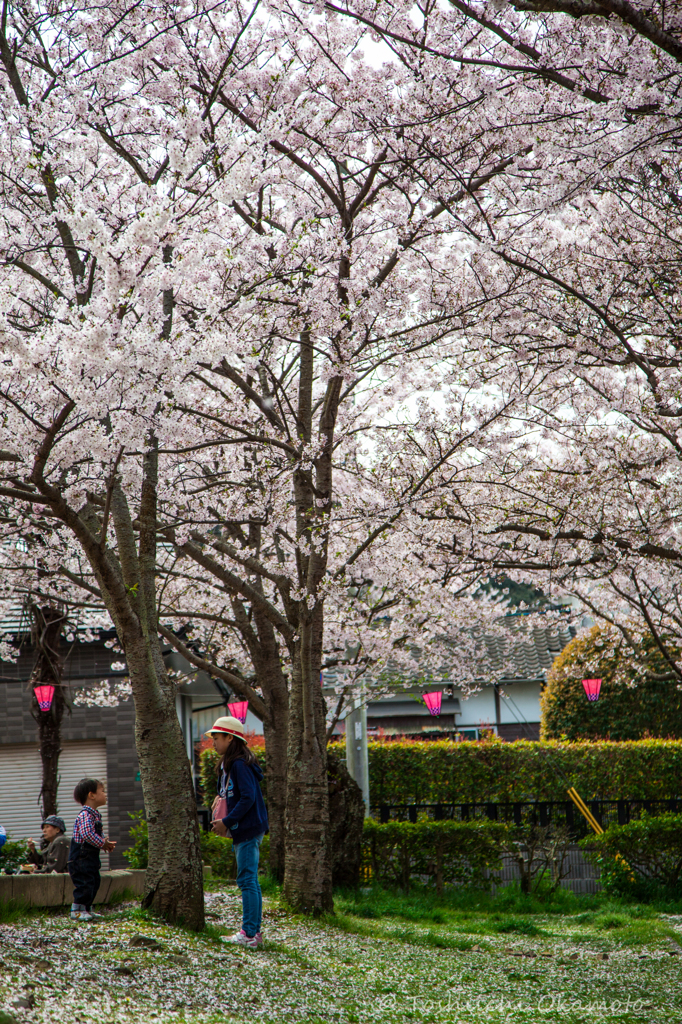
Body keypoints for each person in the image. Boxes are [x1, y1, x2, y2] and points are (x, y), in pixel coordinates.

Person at [208, 716, 268, 949]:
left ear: (229, 738)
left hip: (246, 829)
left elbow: (248, 798)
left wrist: (227, 821)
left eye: (217, 737)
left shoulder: (240, 764)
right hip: (244, 829)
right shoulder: (230, 764)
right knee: (250, 880)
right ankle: (254, 932)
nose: (213, 742)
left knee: (247, 880)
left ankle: (250, 934)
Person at [68, 778, 116, 923]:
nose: (105, 794)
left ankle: (86, 909)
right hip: (80, 858)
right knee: (85, 883)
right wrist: (102, 843)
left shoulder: (94, 815)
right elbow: (87, 834)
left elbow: (94, 834)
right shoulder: (85, 815)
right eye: (103, 791)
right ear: (92, 795)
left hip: (89, 858)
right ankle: (77, 910)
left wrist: (104, 843)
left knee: (94, 882)